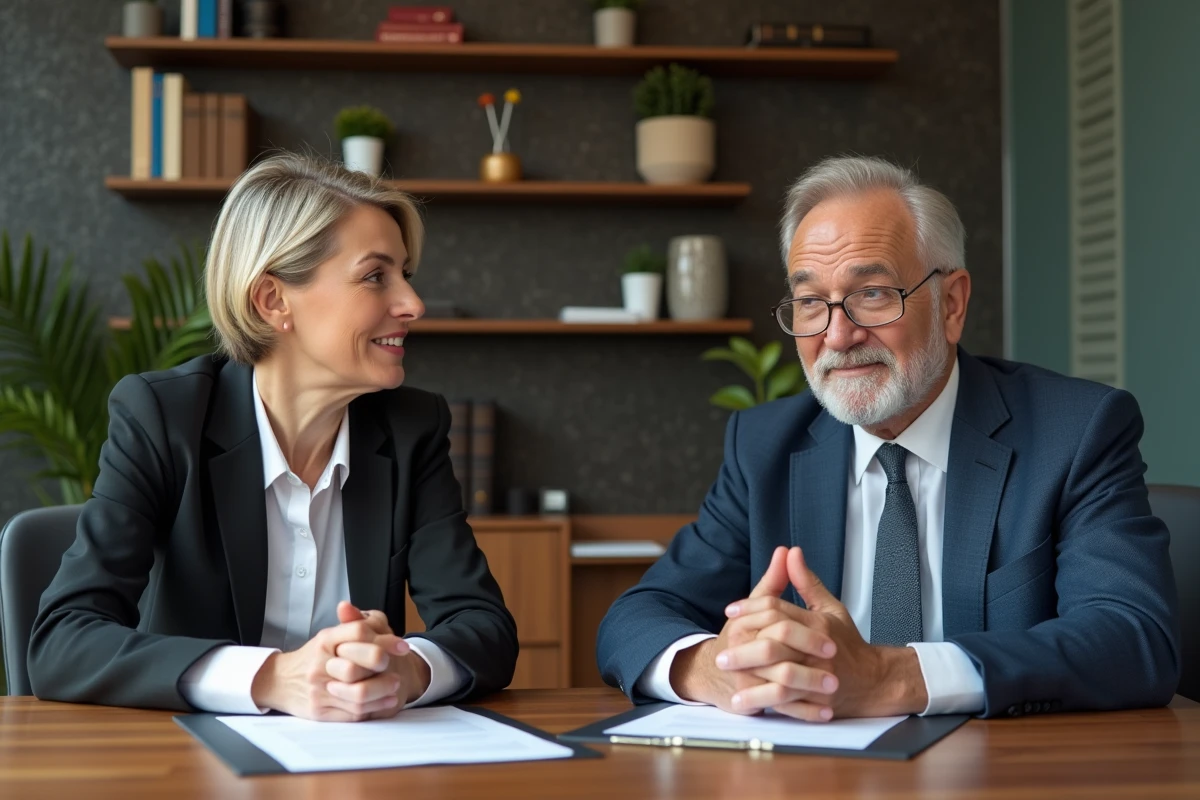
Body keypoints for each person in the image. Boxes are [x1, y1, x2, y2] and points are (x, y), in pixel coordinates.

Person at [596, 155, 1180, 720]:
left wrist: (888, 678)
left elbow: (1133, 637)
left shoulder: (1075, 431)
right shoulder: (764, 447)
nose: (838, 334)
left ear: (951, 304)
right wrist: (713, 667)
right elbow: (637, 617)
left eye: (872, 294)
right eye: (809, 303)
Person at [29, 153, 517, 720]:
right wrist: (270, 678)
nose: (412, 304)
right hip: (189, 764)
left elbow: (485, 627)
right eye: (375, 276)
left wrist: (409, 667)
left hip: (360, 763)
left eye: (405, 275)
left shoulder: (411, 429)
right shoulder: (163, 417)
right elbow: (61, 640)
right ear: (273, 300)